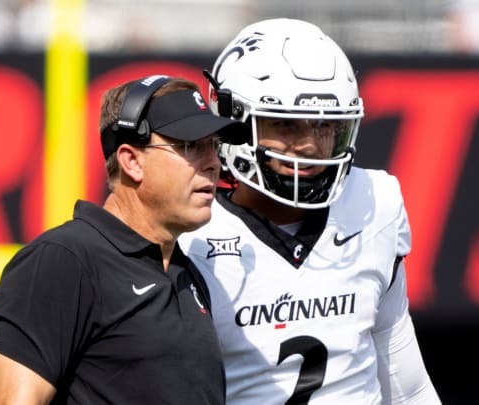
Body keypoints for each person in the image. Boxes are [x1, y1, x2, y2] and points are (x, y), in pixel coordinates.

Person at [179, 19, 442, 404]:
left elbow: (406, 382)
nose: (308, 145)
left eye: (323, 127)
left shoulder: (375, 202)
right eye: (286, 124)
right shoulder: (190, 236)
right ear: (231, 119)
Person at [0, 75, 250, 404]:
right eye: (190, 146)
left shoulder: (187, 273)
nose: (213, 162)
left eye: (213, 145)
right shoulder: (63, 259)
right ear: (132, 161)